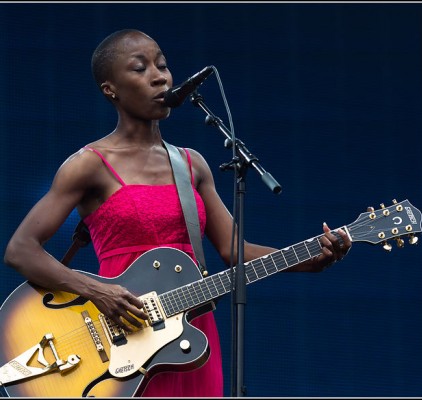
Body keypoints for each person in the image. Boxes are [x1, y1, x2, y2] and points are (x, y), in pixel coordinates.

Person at [3, 29, 351, 397]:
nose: (160, 76)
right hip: (118, 338)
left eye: (163, 65)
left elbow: (235, 251)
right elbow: (21, 249)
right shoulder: (89, 164)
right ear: (110, 90)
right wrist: (98, 291)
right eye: (140, 69)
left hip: (191, 337)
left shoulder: (191, 165)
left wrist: (310, 258)